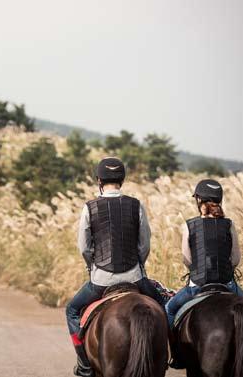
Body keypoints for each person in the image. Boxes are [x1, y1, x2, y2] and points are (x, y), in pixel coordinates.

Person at [65, 157, 164, 377]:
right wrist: (138, 264)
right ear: (122, 179)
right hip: (135, 277)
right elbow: (144, 243)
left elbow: (84, 246)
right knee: (164, 308)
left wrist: (93, 266)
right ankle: (167, 354)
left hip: (101, 280)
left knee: (71, 310)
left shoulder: (89, 207)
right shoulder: (136, 205)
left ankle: (84, 364)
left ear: (99, 180)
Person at [165, 178, 243, 368]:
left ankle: (176, 356)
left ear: (199, 200)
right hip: (227, 285)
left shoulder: (189, 225)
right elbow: (235, 258)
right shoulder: (229, 224)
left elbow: (187, 259)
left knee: (169, 309)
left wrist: (198, 269)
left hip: (197, 286)